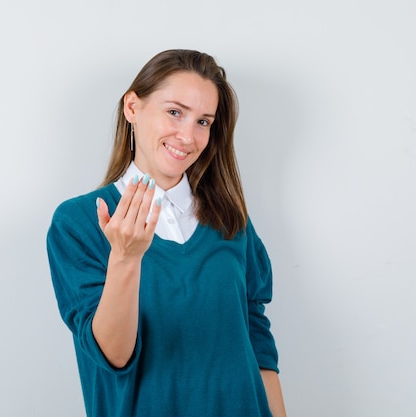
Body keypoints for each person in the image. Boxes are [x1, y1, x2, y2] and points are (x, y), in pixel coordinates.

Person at [46, 49, 286, 417]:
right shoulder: (78, 223)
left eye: (203, 122)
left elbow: (256, 337)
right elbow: (112, 355)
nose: (188, 136)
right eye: (174, 112)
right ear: (133, 108)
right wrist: (125, 258)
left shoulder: (229, 220)